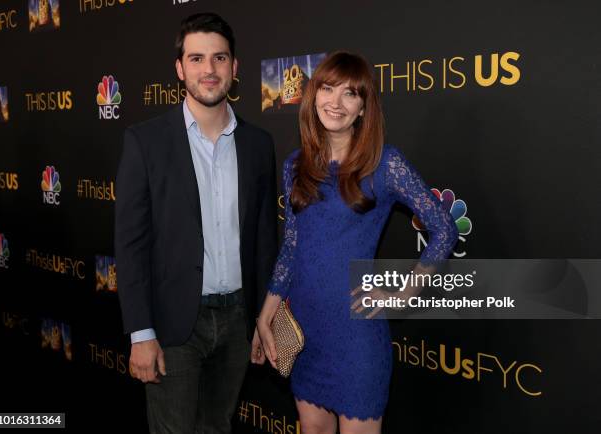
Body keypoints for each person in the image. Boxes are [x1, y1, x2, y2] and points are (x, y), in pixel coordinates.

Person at [253, 52, 458, 434]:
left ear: (363, 107)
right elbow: (292, 246)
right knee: (311, 429)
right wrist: (267, 312)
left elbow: (444, 229)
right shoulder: (296, 165)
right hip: (305, 329)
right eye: (327, 89)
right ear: (313, 96)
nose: (335, 102)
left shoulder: (384, 164)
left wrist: (403, 293)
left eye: (350, 94)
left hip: (356, 338)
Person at [115, 12, 277, 434]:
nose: (209, 70)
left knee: (218, 427)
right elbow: (130, 246)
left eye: (220, 58)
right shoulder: (145, 141)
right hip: (174, 325)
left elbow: (264, 239)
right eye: (197, 58)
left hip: (239, 320)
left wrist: (263, 317)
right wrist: (140, 333)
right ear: (180, 69)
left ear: (235, 67)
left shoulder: (259, 145)